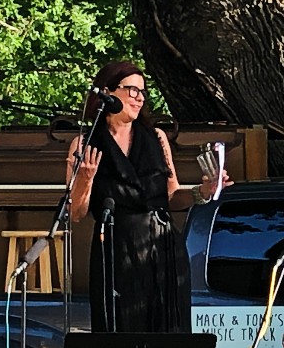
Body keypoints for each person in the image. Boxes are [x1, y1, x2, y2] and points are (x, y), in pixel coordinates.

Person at [67, 59, 230, 334]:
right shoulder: (84, 143)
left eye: (143, 92)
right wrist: (84, 179)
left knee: (168, 334)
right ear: (108, 92)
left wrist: (202, 192)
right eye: (132, 90)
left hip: (162, 246)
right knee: (120, 334)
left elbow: (172, 195)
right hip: (116, 252)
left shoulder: (156, 137)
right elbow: (76, 213)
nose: (139, 98)